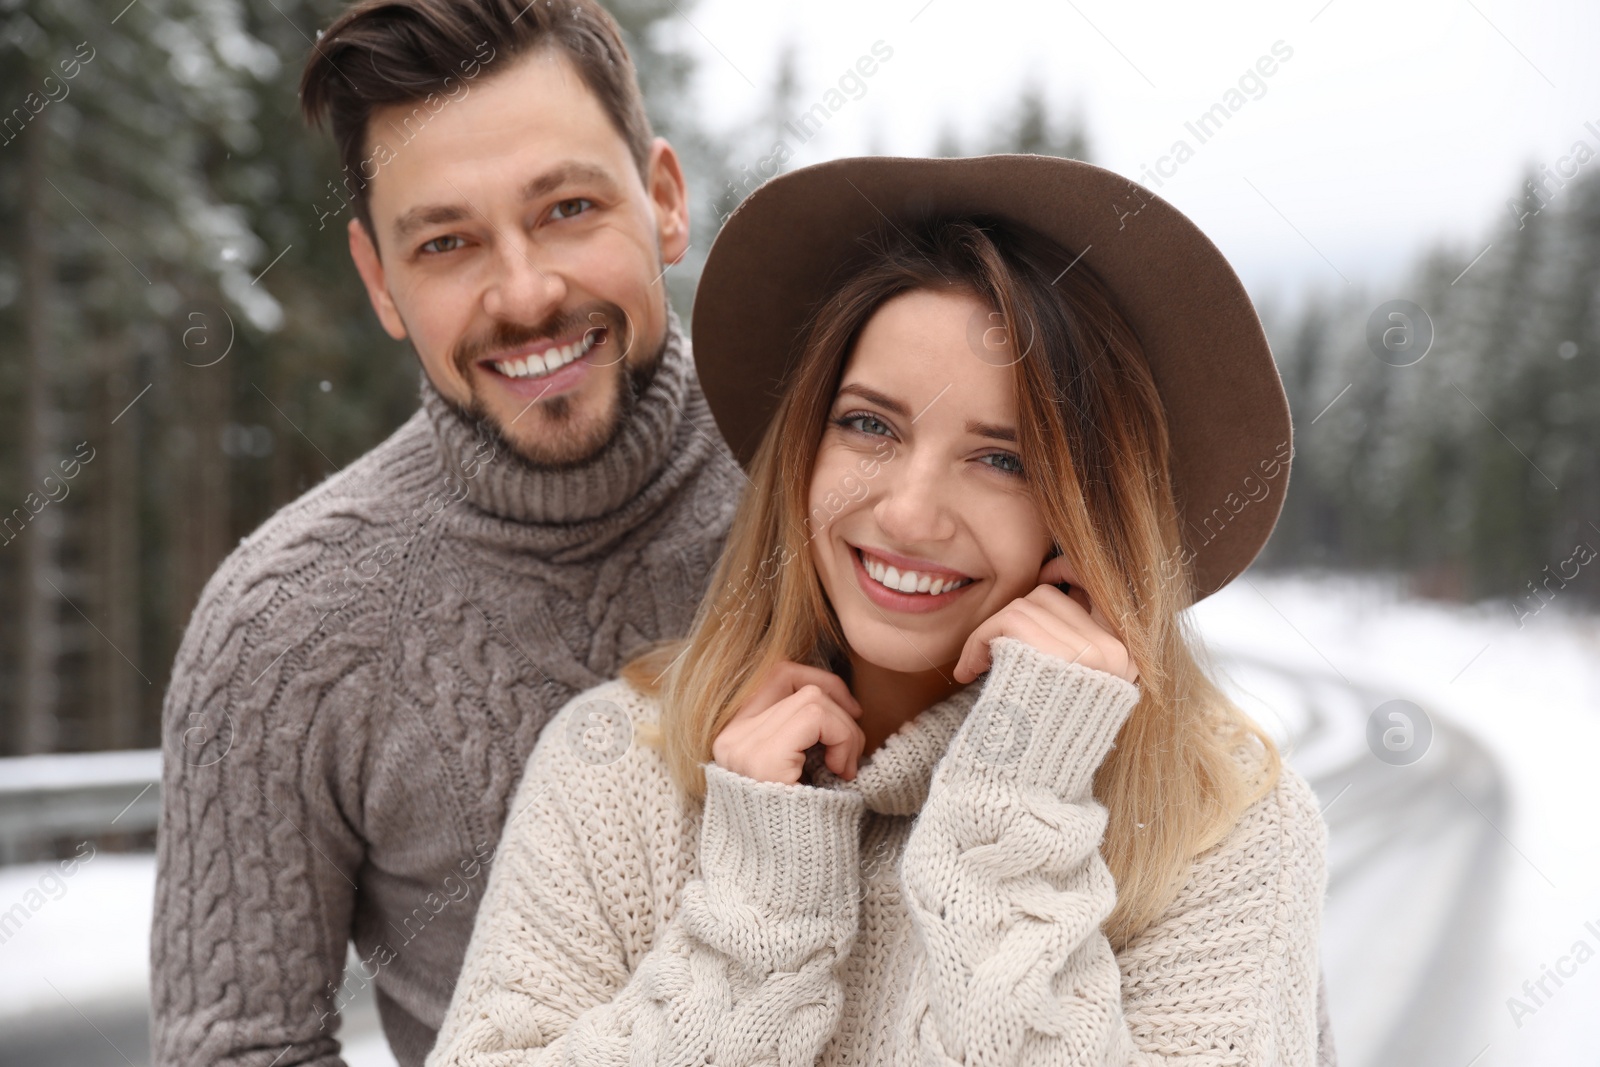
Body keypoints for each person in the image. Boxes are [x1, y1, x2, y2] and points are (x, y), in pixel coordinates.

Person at [427, 154, 1336, 1066]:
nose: (907, 512)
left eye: (1003, 459)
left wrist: (1013, 819)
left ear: (1090, 511)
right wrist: (755, 931)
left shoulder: (1223, 820)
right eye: (870, 425)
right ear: (805, 450)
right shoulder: (622, 767)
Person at [147, 1, 744, 1063]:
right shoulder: (280, 630)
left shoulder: (847, 506)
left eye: (566, 207)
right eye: (447, 242)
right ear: (381, 280)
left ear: (661, 200)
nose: (525, 293)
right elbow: (239, 1048)